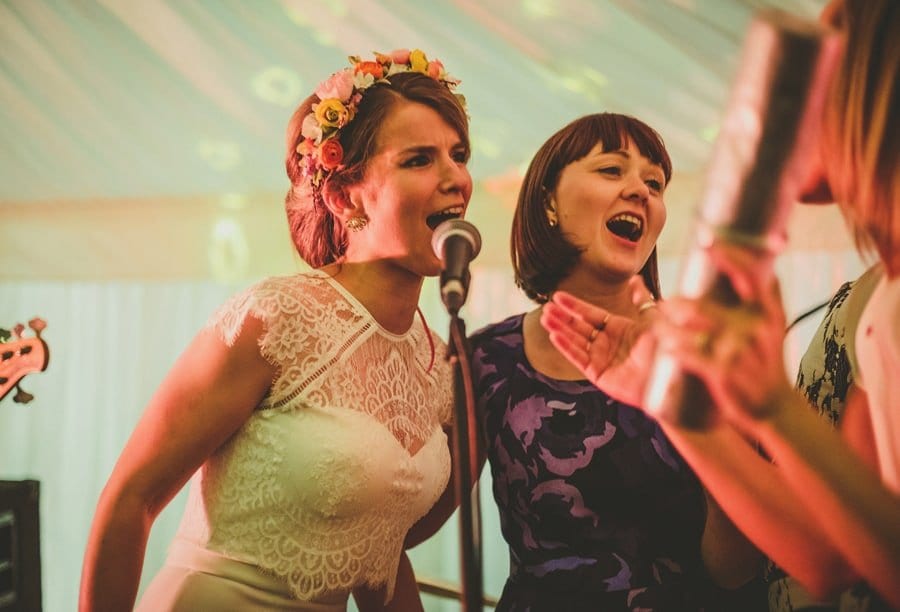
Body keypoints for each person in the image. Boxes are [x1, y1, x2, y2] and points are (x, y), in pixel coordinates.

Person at [79, 48, 472, 611]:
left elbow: (379, 559)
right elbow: (130, 499)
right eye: (419, 160)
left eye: (459, 155)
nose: (456, 178)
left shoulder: (435, 361)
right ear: (344, 195)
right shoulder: (277, 317)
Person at [541, 0, 900, 608]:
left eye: (816, 67)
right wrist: (691, 412)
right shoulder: (881, 307)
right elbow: (836, 556)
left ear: (872, 88)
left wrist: (769, 407)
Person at [469, 112, 763, 611]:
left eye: (655, 182)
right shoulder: (486, 357)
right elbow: (405, 525)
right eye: (611, 170)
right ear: (548, 203)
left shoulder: (708, 345)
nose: (641, 191)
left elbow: (736, 571)